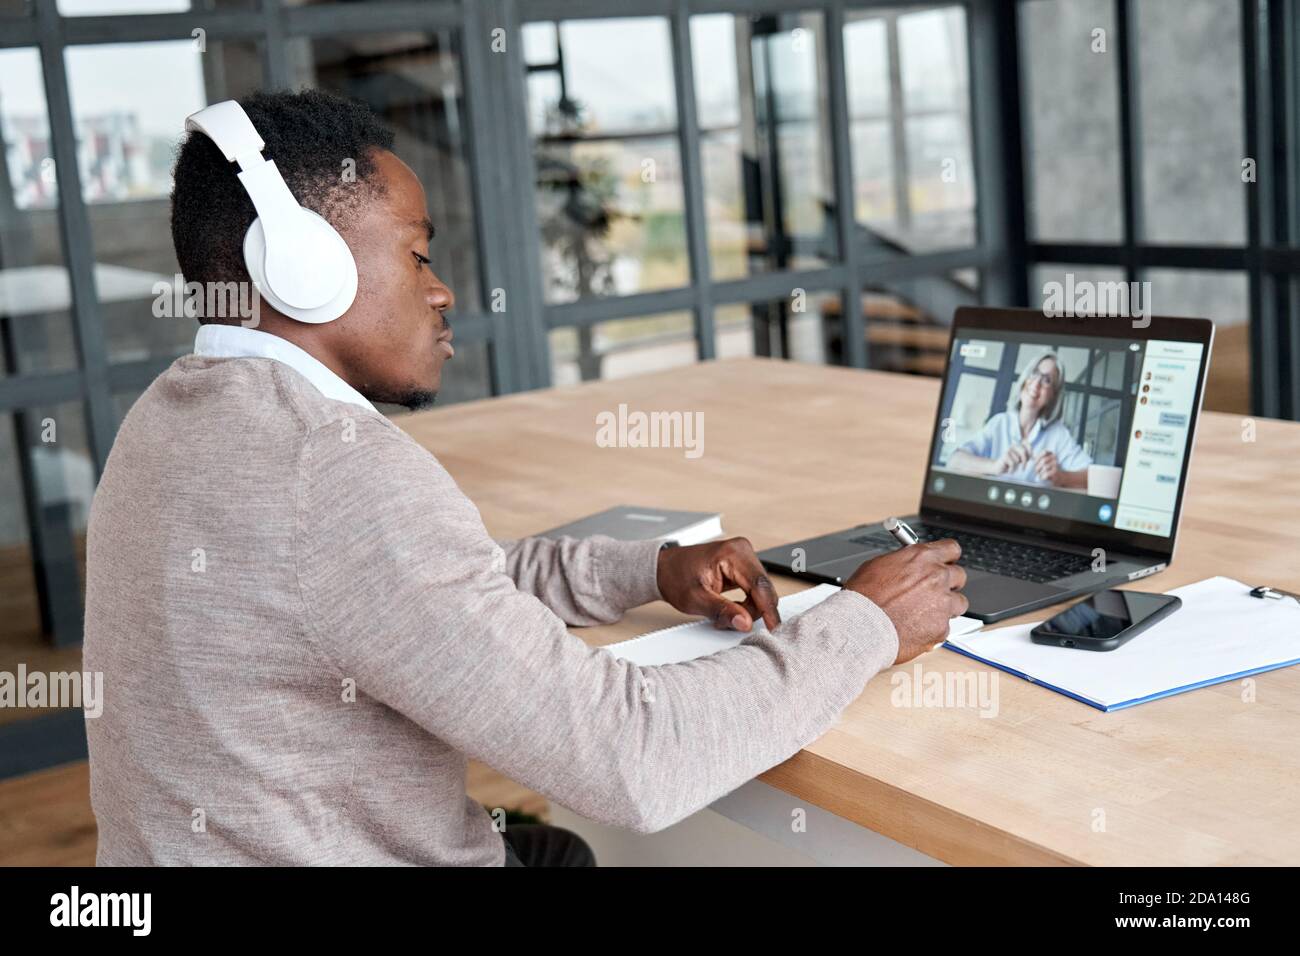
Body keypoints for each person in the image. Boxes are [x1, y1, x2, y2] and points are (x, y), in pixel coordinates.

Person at [82, 90, 967, 867]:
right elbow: (632, 759)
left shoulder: (164, 421)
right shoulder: (339, 471)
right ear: (303, 266)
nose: (442, 292)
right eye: (419, 254)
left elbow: (423, 585)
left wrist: (647, 570)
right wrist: (865, 625)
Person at [947, 351, 1091, 489]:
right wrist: (995, 466)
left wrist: (1062, 477)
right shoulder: (999, 423)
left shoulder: (1058, 434)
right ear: (1024, 379)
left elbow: (1091, 476)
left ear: (1053, 395)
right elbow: (955, 461)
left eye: (1046, 380)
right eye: (1034, 373)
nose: (1036, 384)